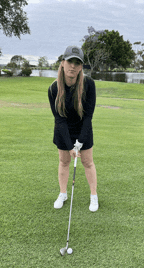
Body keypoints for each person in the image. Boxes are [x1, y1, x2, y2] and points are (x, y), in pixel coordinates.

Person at [48, 45, 98, 212]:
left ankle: (93, 196)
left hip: (84, 128)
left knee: (87, 162)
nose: (73, 66)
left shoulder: (89, 84)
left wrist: (81, 142)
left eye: (78, 63)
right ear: (63, 63)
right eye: (70, 61)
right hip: (63, 130)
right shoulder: (54, 88)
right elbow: (59, 119)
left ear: (81, 67)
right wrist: (70, 146)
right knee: (64, 162)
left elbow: (88, 116)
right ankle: (63, 194)